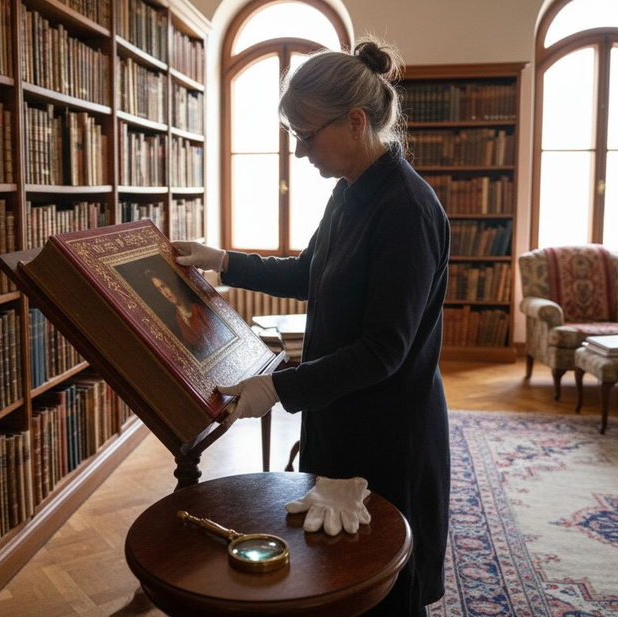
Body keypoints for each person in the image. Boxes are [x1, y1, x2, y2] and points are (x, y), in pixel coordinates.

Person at [174, 39, 450, 616]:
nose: (299, 153)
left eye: (305, 135)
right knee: (338, 575)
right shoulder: (349, 192)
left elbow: (383, 351)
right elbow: (309, 273)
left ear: (354, 122)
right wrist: (222, 260)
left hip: (387, 434)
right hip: (343, 415)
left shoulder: (406, 209)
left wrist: (278, 388)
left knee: (385, 589)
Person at [149, 272, 232, 360]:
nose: (165, 293)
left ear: (171, 284)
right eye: (160, 290)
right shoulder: (178, 318)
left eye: (164, 286)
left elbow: (219, 339)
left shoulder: (199, 309)